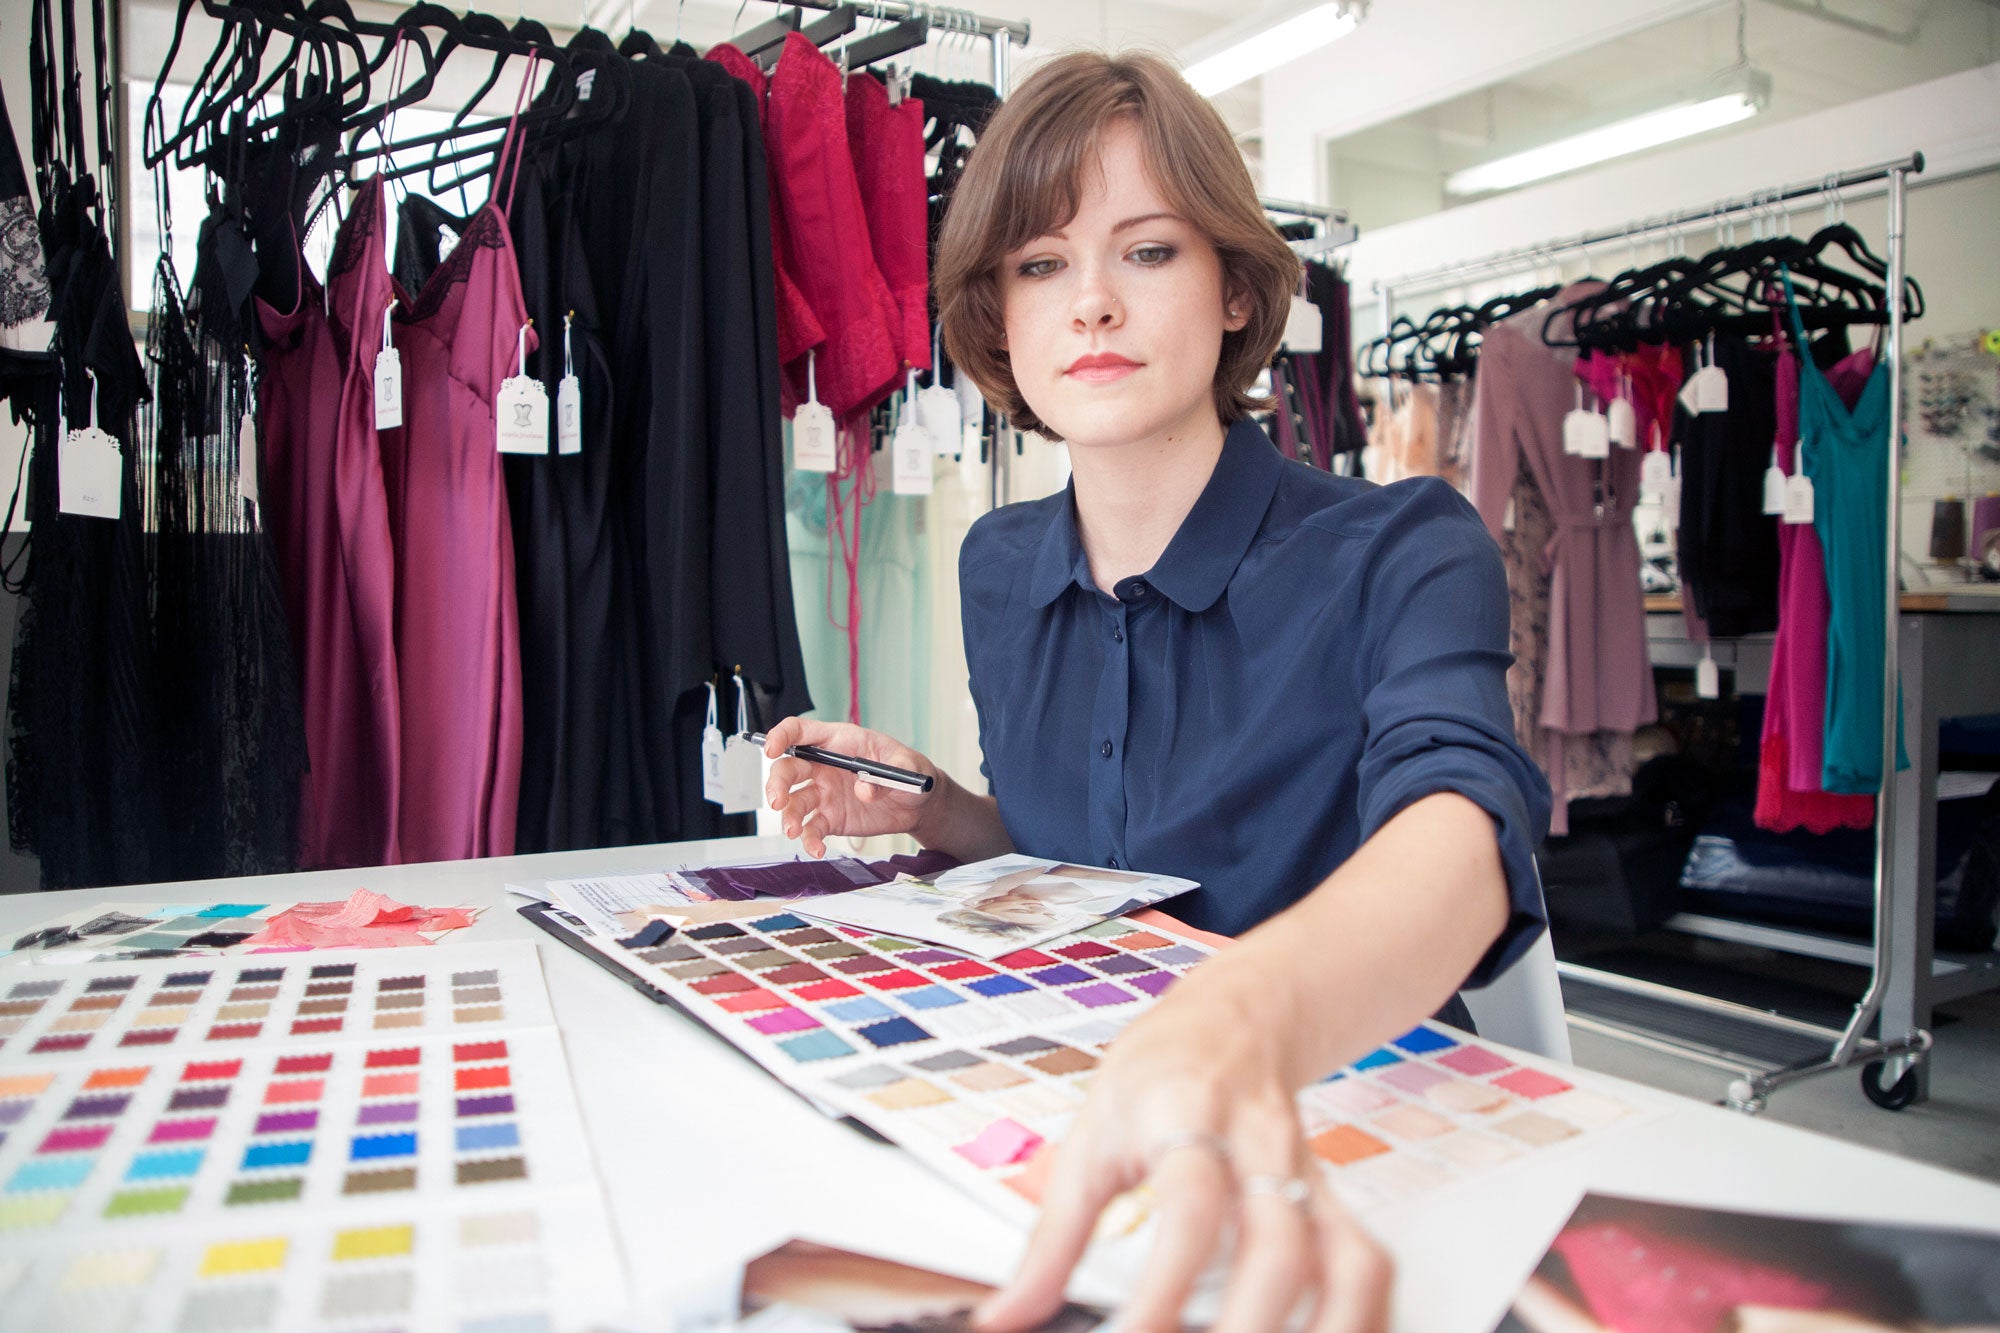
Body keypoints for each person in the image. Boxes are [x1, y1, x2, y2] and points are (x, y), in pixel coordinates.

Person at [762, 49, 1552, 1333]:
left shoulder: (1403, 545)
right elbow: (1083, 856)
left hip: (1353, 1126)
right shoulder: (997, 563)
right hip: (1071, 1101)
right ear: (996, 317)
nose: (1088, 306)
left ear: (1235, 288)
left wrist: (1235, 1015)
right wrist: (934, 811)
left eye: (1145, 252)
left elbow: (1462, 846)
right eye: (1038, 264)